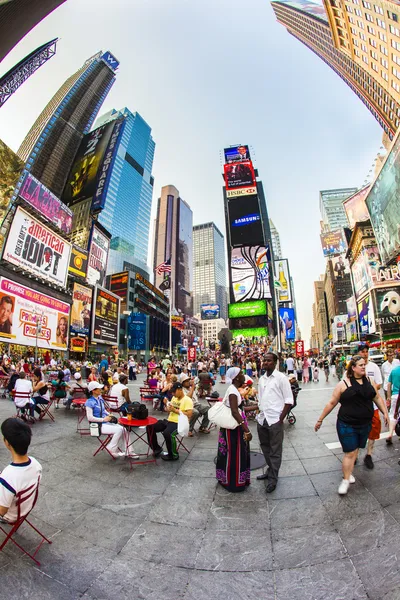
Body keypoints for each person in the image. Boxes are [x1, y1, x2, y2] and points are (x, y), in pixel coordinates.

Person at [315, 355, 389, 495]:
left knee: (355, 450)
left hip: (365, 424)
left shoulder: (369, 381)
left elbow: (377, 397)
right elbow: (331, 403)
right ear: (353, 368)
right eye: (360, 365)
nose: (363, 367)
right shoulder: (343, 384)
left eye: (364, 365)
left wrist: (384, 412)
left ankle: (348, 473)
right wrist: (320, 419)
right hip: (346, 424)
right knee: (350, 452)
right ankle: (346, 479)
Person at [256, 353, 294, 493]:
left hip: (275, 420)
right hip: (262, 419)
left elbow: (289, 400)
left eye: (269, 360)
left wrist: (280, 419)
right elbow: (261, 398)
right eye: (264, 360)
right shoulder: (262, 379)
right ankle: (270, 471)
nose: (266, 362)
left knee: (275, 451)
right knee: (265, 447)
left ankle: (273, 478)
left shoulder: (281, 378)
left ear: (275, 362)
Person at [215, 367, 253, 493]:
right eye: (241, 373)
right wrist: (246, 429)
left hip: (235, 427)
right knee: (234, 454)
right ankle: (233, 483)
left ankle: (233, 480)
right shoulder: (232, 391)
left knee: (233, 453)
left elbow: (240, 409)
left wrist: (257, 406)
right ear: (236, 377)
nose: (243, 375)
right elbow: (235, 412)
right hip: (234, 429)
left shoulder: (234, 389)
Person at [0, 418, 42, 524]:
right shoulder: (36, 464)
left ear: (7, 443)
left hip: (10, 516)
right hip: (25, 509)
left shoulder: (8, 477)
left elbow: (1, 511)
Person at [147, 382, 193, 461]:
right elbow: (169, 410)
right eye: (172, 392)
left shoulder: (187, 400)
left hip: (179, 422)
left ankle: (173, 455)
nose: (173, 394)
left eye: (174, 392)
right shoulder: (174, 398)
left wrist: (175, 410)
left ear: (180, 390)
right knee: (150, 426)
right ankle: (156, 448)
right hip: (169, 420)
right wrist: (166, 405)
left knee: (167, 433)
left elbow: (189, 414)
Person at [85, 381, 132, 458]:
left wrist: (109, 414)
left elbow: (103, 410)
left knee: (124, 429)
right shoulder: (89, 402)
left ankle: (130, 451)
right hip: (97, 426)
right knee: (119, 430)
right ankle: (111, 447)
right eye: (99, 388)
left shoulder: (100, 398)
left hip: (105, 423)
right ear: (93, 390)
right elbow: (89, 418)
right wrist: (104, 419)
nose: (101, 389)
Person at [357, 344, 383, 469]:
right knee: (357, 430)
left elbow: (379, 384)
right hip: (358, 406)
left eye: (367, 351)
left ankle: (369, 455)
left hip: (373, 405)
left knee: (373, 430)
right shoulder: (353, 367)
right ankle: (354, 454)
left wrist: (369, 389)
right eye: (363, 351)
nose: (365, 354)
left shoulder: (374, 367)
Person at [385, 362, 400, 444]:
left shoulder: (394, 371)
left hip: (395, 395)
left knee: (393, 415)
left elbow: (389, 384)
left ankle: (390, 433)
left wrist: (388, 397)